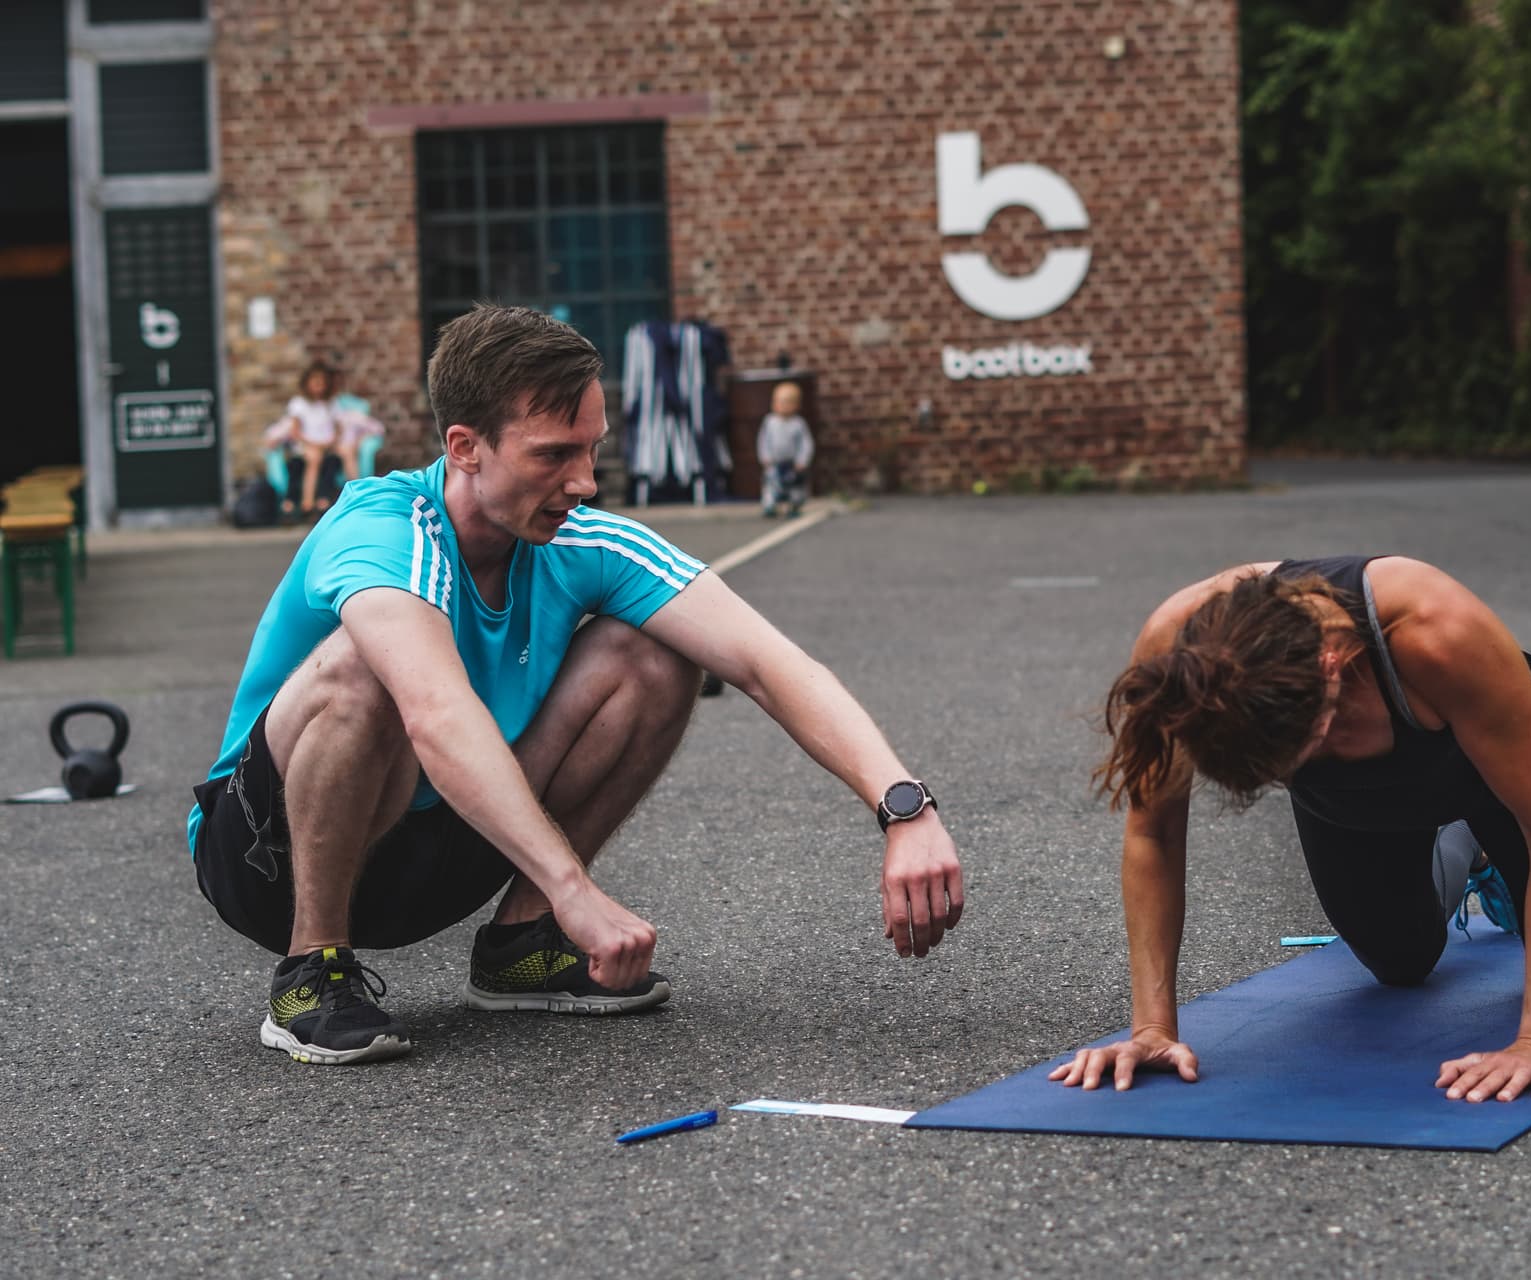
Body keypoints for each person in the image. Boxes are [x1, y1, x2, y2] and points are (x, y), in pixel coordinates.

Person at [188, 305, 964, 1065]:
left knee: (654, 653)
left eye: (592, 450)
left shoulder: (579, 538)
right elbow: (435, 712)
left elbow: (768, 663)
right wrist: (577, 890)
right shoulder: (384, 532)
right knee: (365, 664)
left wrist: (903, 806)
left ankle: (520, 946)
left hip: (432, 849)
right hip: (270, 861)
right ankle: (311, 971)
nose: (584, 481)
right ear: (465, 447)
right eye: (553, 455)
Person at [1050, 556, 1531, 1104]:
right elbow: (1153, 833)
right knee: (1401, 964)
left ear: (1331, 664)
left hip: (1501, 770)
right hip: (1354, 805)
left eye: (1312, 741)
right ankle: (1473, 849)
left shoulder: (1436, 630)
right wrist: (1153, 1030)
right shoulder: (1178, 657)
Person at [265, 362, 359, 517]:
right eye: (315, 383)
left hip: (327, 443)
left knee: (347, 451)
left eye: (322, 384)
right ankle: (307, 503)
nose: (319, 387)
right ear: (306, 384)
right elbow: (295, 431)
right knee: (314, 458)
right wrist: (313, 443)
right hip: (306, 444)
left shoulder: (331, 403)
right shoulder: (299, 404)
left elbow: (338, 428)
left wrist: (331, 441)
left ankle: (358, 490)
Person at [756, 381, 814, 518]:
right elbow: (763, 441)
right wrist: (765, 457)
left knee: (795, 486)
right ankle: (769, 505)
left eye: (788, 402)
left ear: (796, 405)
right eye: (779, 401)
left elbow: (806, 444)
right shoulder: (770, 422)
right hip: (774, 462)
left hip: (792, 463)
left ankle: (794, 506)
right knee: (771, 484)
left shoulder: (798, 424)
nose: (783, 405)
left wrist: (802, 460)